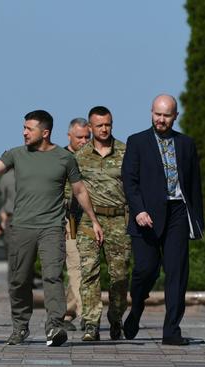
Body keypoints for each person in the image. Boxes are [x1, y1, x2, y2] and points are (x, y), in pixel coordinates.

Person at [0, 110, 103, 347]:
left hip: (52, 228)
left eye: (29, 128)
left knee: (52, 276)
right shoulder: (16, 154)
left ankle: (55, 326)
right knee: (19, 279)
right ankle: (20, 326)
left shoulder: (64, 158)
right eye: (24, 128)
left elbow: (79, 191)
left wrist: (94, 220)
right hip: (21, 227)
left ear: (45, 132)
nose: (24, 132)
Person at [121, 94, 204, 346]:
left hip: (177, 212)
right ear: (151, 113)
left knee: (177, 272)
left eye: (167, 115)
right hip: (146, 215)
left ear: (175, 116)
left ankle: (171, 331)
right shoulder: (137, 142)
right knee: (146, 269)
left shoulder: (186, 144)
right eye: (158, 114)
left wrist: (197, 220)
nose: (161, 119)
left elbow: (194, 185)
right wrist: (138, 210)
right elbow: (129, 180)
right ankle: (136, 308)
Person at [76, 106, 130, 341]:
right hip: (89, 220)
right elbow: (71, 190)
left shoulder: (126, 152)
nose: (104, 129)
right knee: (89, 272)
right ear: (90, 127)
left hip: (119, 219)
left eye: (108, 124)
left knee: (119, 275)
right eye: (99, 125)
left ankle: (116, 318)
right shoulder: (79, 157)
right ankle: (90, 324)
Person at [62, 117, 90, 331]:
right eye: (79, 137)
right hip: (64, 219)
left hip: (86, 220)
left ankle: (72, 312)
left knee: (80, 266)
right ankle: (82, 313)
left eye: (87, 137)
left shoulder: (90, 159)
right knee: (73, 266)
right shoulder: (59, 158)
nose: (84, 141)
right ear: (69, 136)